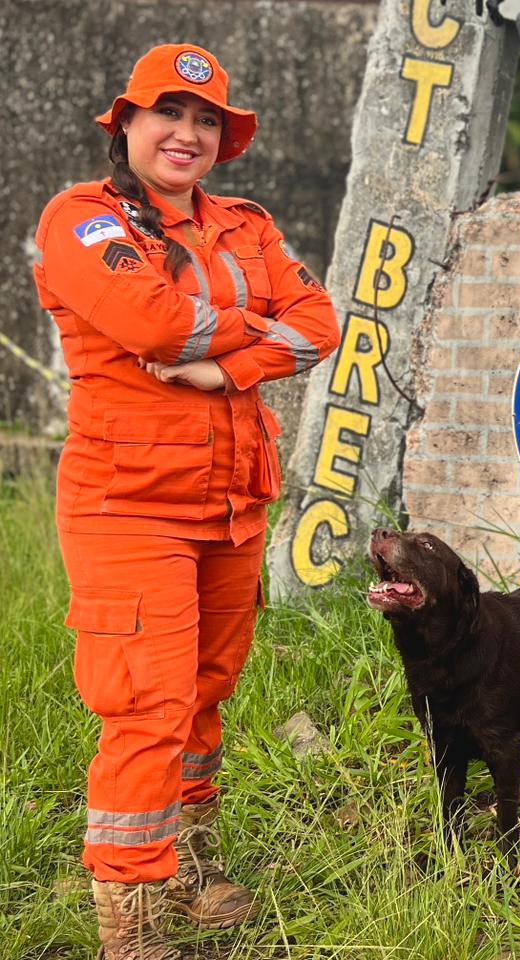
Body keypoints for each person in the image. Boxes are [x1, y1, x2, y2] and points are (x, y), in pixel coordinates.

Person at [32, 44, 340, 959]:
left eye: (208, 120)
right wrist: (260, 327)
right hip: (130, 507)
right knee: (147, 706)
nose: (189, 133)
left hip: (235, 499)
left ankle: (192, 869)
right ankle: (131, 925)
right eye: (170, 113)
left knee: (205, 697)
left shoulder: (244, 222)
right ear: (124, 123)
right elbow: (152, 321)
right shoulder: (78, 219)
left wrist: (225, 364)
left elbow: (321, 324)